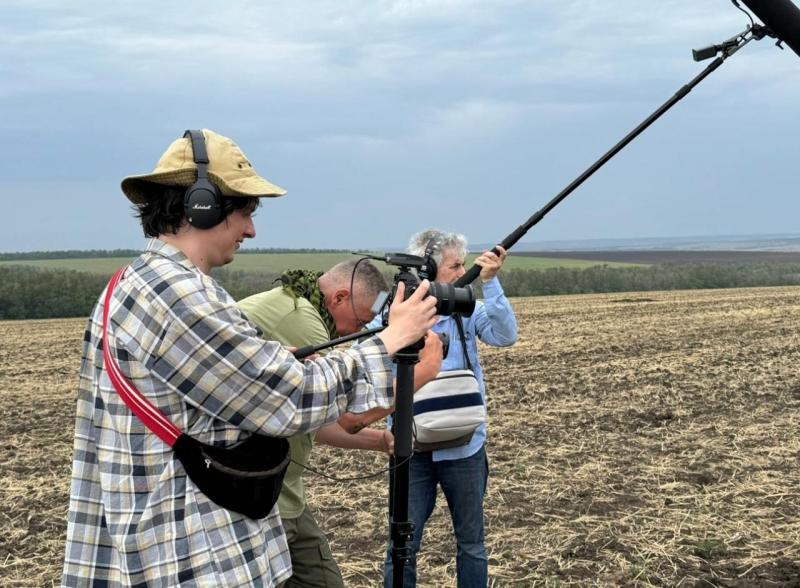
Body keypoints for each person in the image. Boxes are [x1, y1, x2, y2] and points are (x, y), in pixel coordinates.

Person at [61, 129, 439, 587]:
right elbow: (292, 400)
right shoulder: (176, 293)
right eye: (245, 212)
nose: (251, 230)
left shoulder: (136, 281)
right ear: (203, 205)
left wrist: (266, 360)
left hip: (169, 540)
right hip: (190, 551)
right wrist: (391, 340)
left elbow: (223, 388)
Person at [237, 260, 442, 588]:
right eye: (360, 321)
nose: (356, 331)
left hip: (283, 491)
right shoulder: (302, 320)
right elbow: (349, 416)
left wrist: (378, 441)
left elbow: (315, 419)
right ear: (339, 298)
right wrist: (423, 373)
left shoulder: (292, 303)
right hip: (256, 496)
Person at [382, 229, 517, 588]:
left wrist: (490, 283)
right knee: (402, 546)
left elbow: (505, 335)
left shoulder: (467, 309)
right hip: (411, 450)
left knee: (471, 544)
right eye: (455, 266)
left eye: (462, 265)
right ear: (427, 270)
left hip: (465, 447)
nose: (462, 272)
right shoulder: (395, 315)